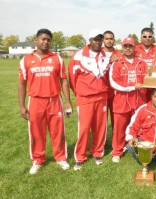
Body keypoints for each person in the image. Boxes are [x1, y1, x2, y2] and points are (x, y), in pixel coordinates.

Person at [18, 28, 72, 174]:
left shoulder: (57, 59)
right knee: (36, 132)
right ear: (36, 40)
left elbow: (64, 81)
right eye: (43, 39)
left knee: (58, 131)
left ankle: (60, 157)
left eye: (48, 39)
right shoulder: (26, 60)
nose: (45, 42)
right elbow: (22, 83)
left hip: (54, 100)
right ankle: (37, 159)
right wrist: (22, 106)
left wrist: (68, 101)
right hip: (35, 101)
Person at [69, 29, 110, 171]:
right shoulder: (78, 56)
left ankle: (97, 153)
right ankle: (80, 157)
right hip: (85, 98)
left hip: (102, 97)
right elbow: (72, 79)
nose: (98, 42)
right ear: (89, 40)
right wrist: (80, 93)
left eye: (100, 39)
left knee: (100, 127)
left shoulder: (106, 55)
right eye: (95, 39)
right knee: (84, 128)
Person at [109, 37, 147, 163]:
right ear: (122, 48)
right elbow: (114, 83)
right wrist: (132, 87)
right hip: (122, 101)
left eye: (130, 46)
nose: (128, 49)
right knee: (119, 128)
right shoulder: (117, 63)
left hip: (139, 101)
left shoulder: (142, 63)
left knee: (139, 127)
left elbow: (148, 79)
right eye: (126, 46)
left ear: (134, 47)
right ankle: (117, 151)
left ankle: (138, 148)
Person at [102, 30, 122, 131]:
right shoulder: (98, 53)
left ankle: (117, 140)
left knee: (116, 118)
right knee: (101, 119)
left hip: (115, 91)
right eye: (107, 38)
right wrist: (109, 61)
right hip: (101, 90)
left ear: (114, 40)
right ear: (103, 40)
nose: (109, 41)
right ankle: (101, 142)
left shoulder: (119, 54)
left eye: (111, 39)